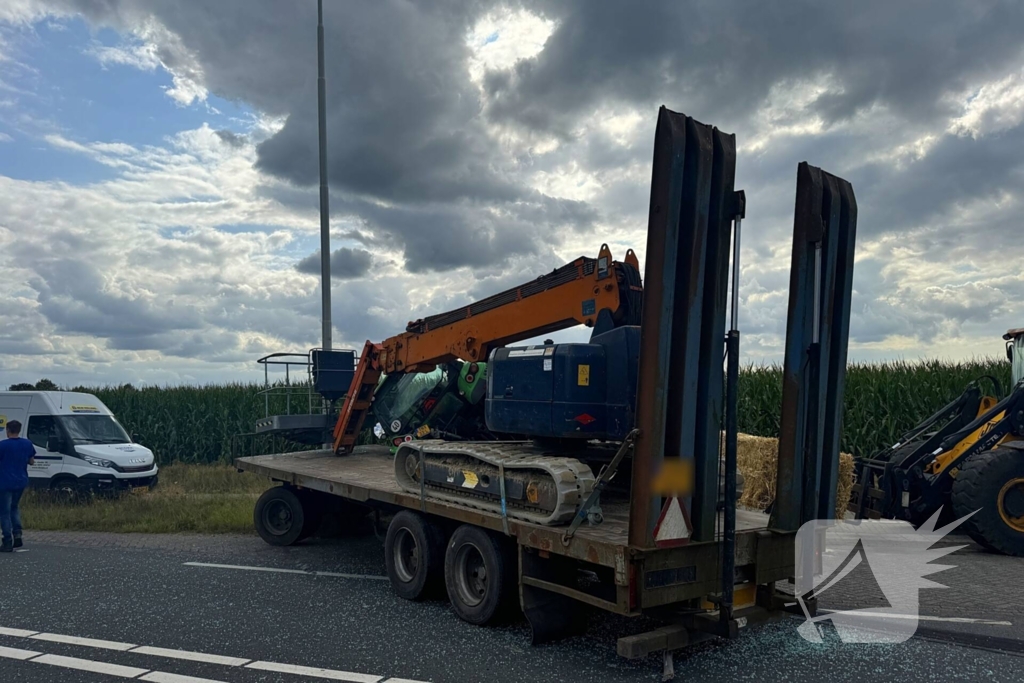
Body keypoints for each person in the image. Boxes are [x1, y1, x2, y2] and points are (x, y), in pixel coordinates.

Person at [0, 420, 35, 552]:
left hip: (4, 482)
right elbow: (31, 461)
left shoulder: (2, 445)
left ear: (8, 430)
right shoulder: (27, 443)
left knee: (4, 512)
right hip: (20, 481)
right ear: (19, 430)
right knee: (14, 507)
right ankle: (18, 533)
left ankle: (7, 540)